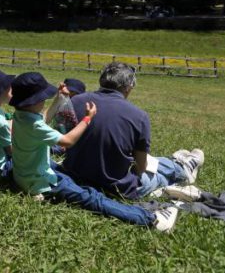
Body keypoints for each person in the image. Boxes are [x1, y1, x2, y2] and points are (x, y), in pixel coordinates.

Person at [10, 71, 179, 232]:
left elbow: (44, 119)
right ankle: (150, 220)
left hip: (24, 174)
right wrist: (87, 119)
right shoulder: (35, 125)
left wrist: (58, 100)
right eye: (44, 98)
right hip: (40, 181)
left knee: (66, 174)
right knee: (91, 198)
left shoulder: (21, 116)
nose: (44, 101)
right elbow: (67, 141)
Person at [63, 62, 204, 200]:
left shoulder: (75, 102)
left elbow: (63, 140)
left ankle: (178, 163)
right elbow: (141, 168)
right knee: (154, 173)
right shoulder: (139, 116)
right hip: (116, 189)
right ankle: (183, 168)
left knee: (155, 162)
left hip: (75, 178)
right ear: (129, 87)